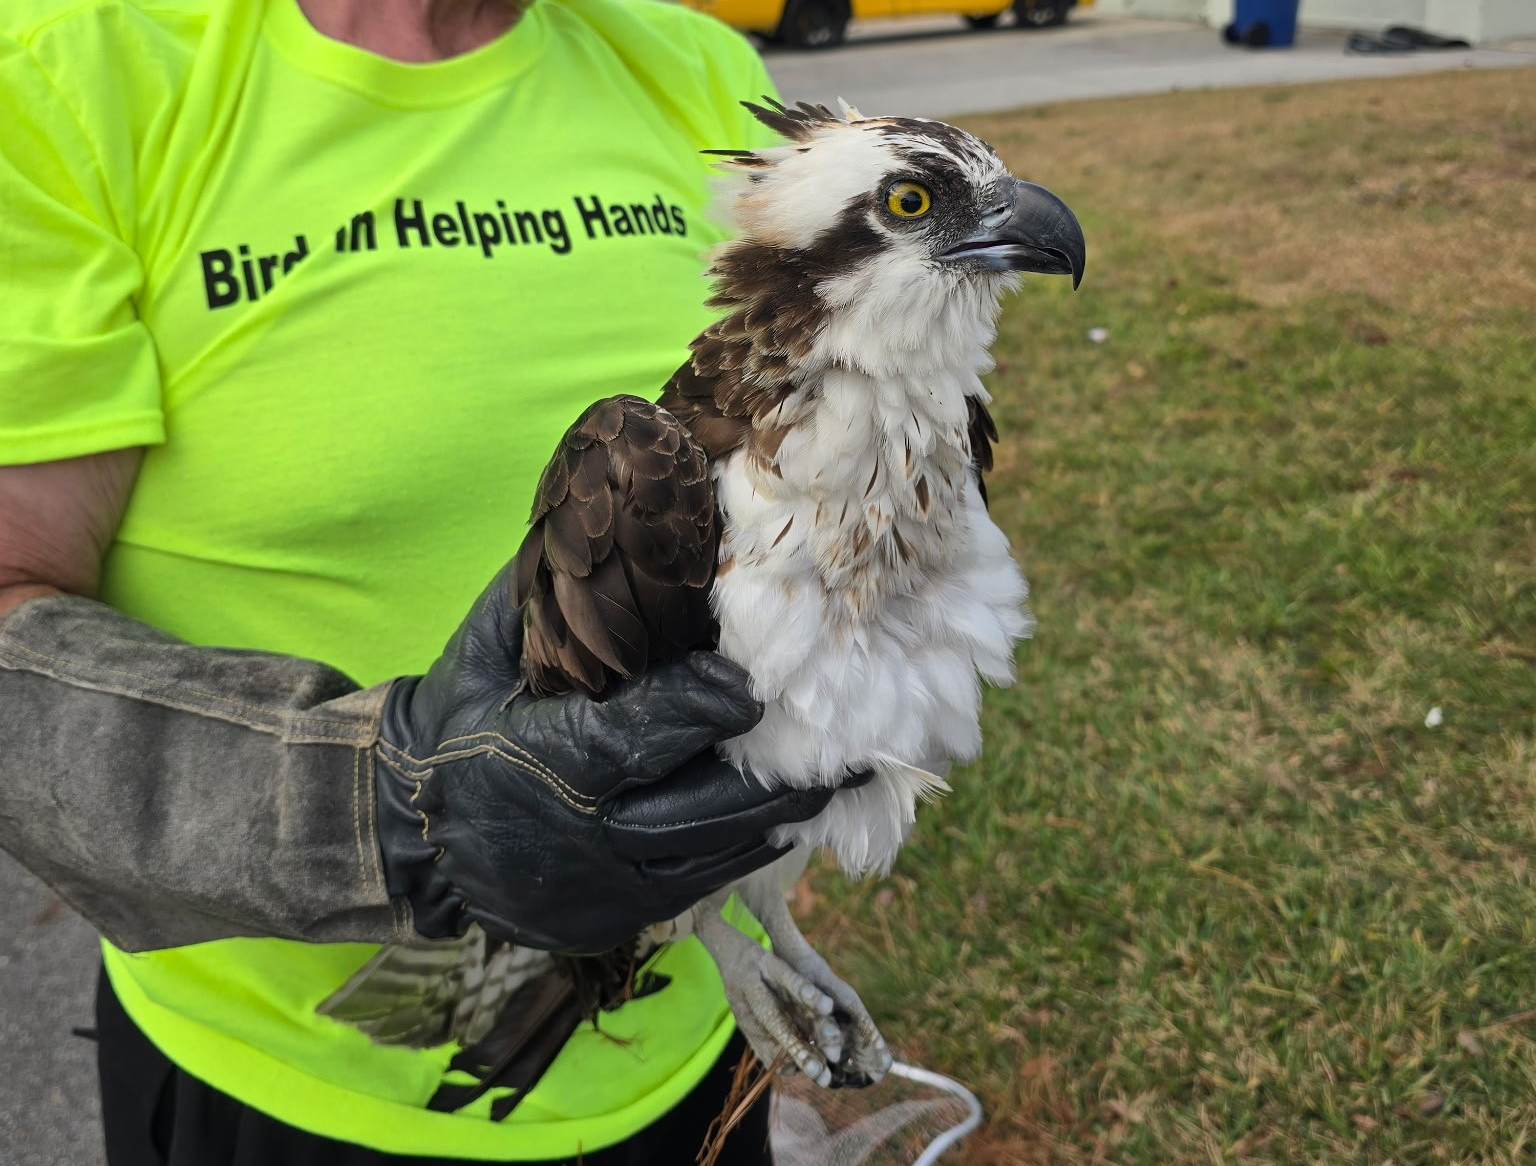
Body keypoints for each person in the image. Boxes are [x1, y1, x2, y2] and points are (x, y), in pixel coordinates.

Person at [0, 0, 838, 1161]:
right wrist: (391, 810)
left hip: (691, 1041)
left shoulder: (691, 63)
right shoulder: (69, 73)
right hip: (289, 1087)